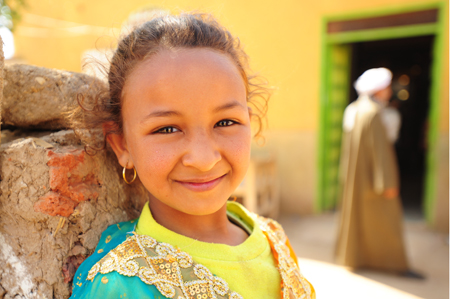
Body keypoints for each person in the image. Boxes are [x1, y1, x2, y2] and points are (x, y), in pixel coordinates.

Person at [69, 13, 315, 299]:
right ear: (123, 146)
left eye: (226, 122)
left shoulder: (273, 240)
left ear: (250, 122)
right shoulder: (121, 284)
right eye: (167, 128)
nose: (203, 159)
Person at [336, 67, 418, 276]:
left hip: (358, 177)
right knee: (386, 221)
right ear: (379, 89)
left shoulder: (354, 109)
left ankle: (356, 258)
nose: (389, 91)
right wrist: (388, 183)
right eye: (387, 87)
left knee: (358, 219)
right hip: (374, 179)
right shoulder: (372, 113)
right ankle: (394, 265)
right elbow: (381, 152)